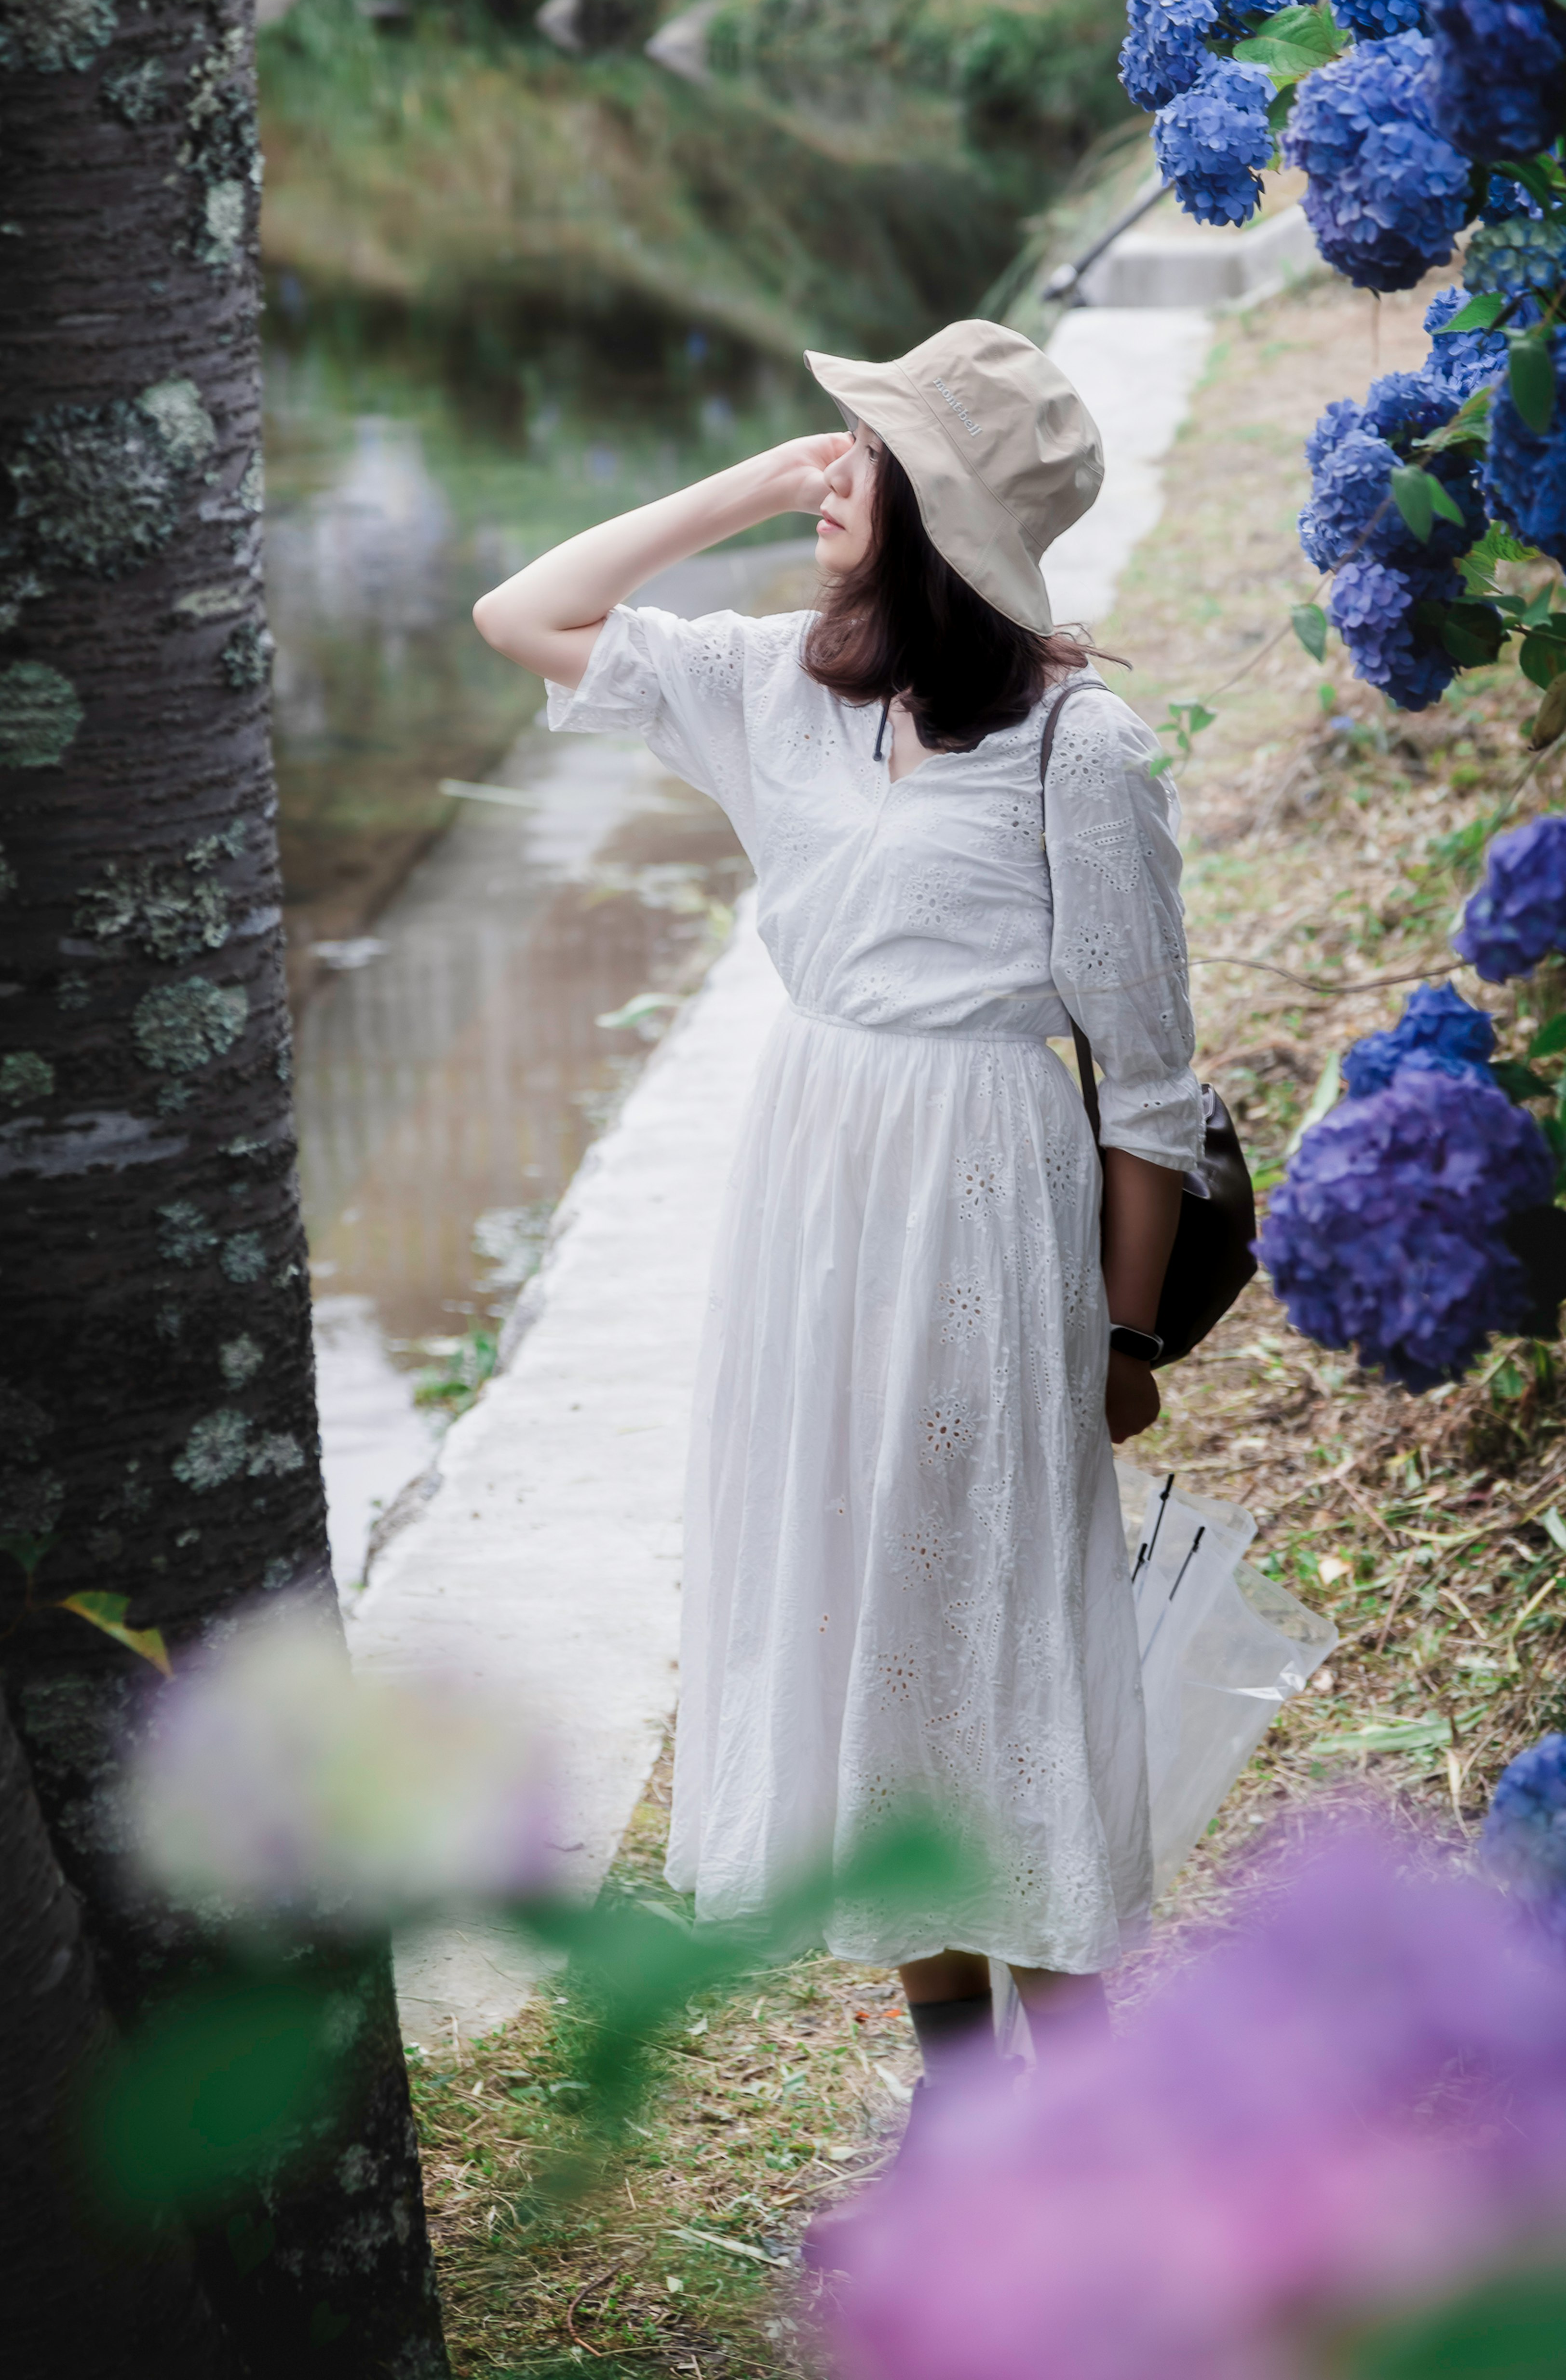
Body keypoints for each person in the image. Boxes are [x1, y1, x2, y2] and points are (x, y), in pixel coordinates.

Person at [474, 319, 1202, 2114]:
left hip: (983, 1198)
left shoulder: (1077, 750)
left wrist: (1120, 1335)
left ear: (943, 516)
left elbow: (1152, 1085)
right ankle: (961, 2102)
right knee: (868, 1625)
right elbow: (526, 615)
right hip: (813, 1192)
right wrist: (747, 485)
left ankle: (1084, 2101)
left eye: (864, 456)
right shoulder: (779, 685)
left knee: (999, 1634)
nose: (830, 473)